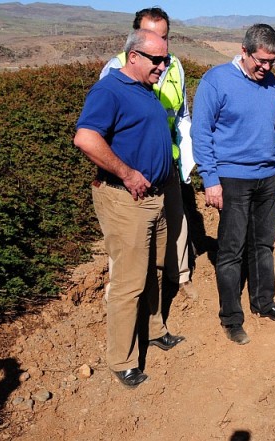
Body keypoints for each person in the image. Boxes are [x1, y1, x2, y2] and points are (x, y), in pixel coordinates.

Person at [74, 29, 184, 388]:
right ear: (133, 56)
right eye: (156, 59)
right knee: (128, 282)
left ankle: (153, 330)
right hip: (126, 198)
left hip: (154, 195)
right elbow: (86, 137)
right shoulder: (110, 90)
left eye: (166, 59)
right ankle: (122, 360)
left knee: (152, 268)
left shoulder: (144, 88)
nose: (163, 65)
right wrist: (126, 172)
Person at [192, 24, 275, 345]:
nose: (266, 68)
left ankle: (265, 303)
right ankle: (231, 318)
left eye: (273, 62)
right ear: (244, 50)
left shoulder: (269, 85)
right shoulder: (217, 81)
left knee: (263, 244)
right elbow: (201, 133)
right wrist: (210, 179)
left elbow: (273, 128)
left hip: (266, 177)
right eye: (261, 61)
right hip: (231, 178)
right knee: (231, 250)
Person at [100, 7, 198, 301]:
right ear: (135, 37)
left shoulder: (176, 66)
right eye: (151, 35)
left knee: (176, 220)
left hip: (168, 159)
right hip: (132, 165)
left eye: (164, 36)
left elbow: (182, 114)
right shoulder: (114, 69)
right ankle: (123, 290)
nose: (158, 42)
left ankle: (179, 276)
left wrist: (187, 158)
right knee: (128, 235)